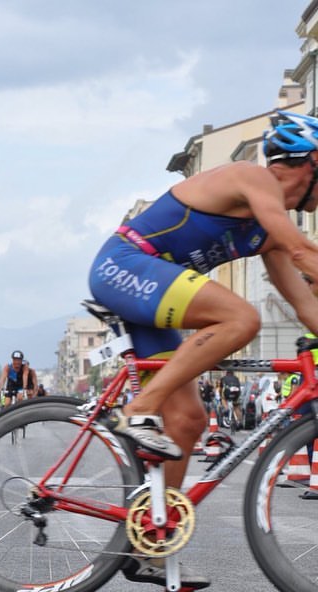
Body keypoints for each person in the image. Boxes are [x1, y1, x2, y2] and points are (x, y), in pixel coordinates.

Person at [87, 110, 318, 589]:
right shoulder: (255, 179)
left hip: (151, 293)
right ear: (311, 163)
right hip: (124, 266)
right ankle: (141, 408)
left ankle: (148, 544)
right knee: (241, 317)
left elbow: (303, 302)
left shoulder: (270, 233)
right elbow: (302, 250)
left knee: (190, 420)